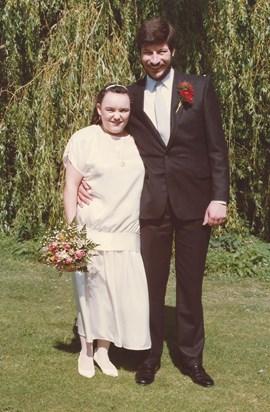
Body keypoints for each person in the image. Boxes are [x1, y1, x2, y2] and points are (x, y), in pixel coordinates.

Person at [78, 18, 230, 387]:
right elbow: (104, 132)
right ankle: (149, 357)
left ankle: (192, 360)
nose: (155, 58)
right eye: (148, 52)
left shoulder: (199, 88)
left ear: (172, 51)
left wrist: (219, 197)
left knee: (190, 286)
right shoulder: (130, 97)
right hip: (149, 204)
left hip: (196, 204)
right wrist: (82, 175)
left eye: (161, 51)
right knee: (150, 285)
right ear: (141, 55)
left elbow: (216, 149)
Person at [63, 84, 151, 379]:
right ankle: (86, 350)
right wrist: (71, 234)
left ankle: (104, 350)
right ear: (98, 108)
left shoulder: (137, 140)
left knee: (116, 294)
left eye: (123, 110)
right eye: (110, 109)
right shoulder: (84, 139)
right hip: (92, 229)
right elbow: (71, 187)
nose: (117, 116)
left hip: (126, 232)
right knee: (90, 293)